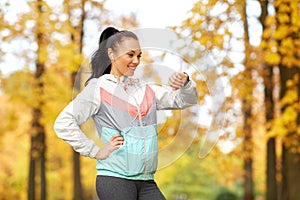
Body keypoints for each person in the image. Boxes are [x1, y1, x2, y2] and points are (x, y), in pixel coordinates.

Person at [54, 27, 198, 200]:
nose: (136, 61)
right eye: (130, 55)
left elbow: (183, 100)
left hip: (146, 181)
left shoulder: (144, 89)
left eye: (139, 56)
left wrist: (186, 82)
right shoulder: (98, 89)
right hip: (115, 180)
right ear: (112, 54)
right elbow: (63, 123)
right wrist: (95, 151)